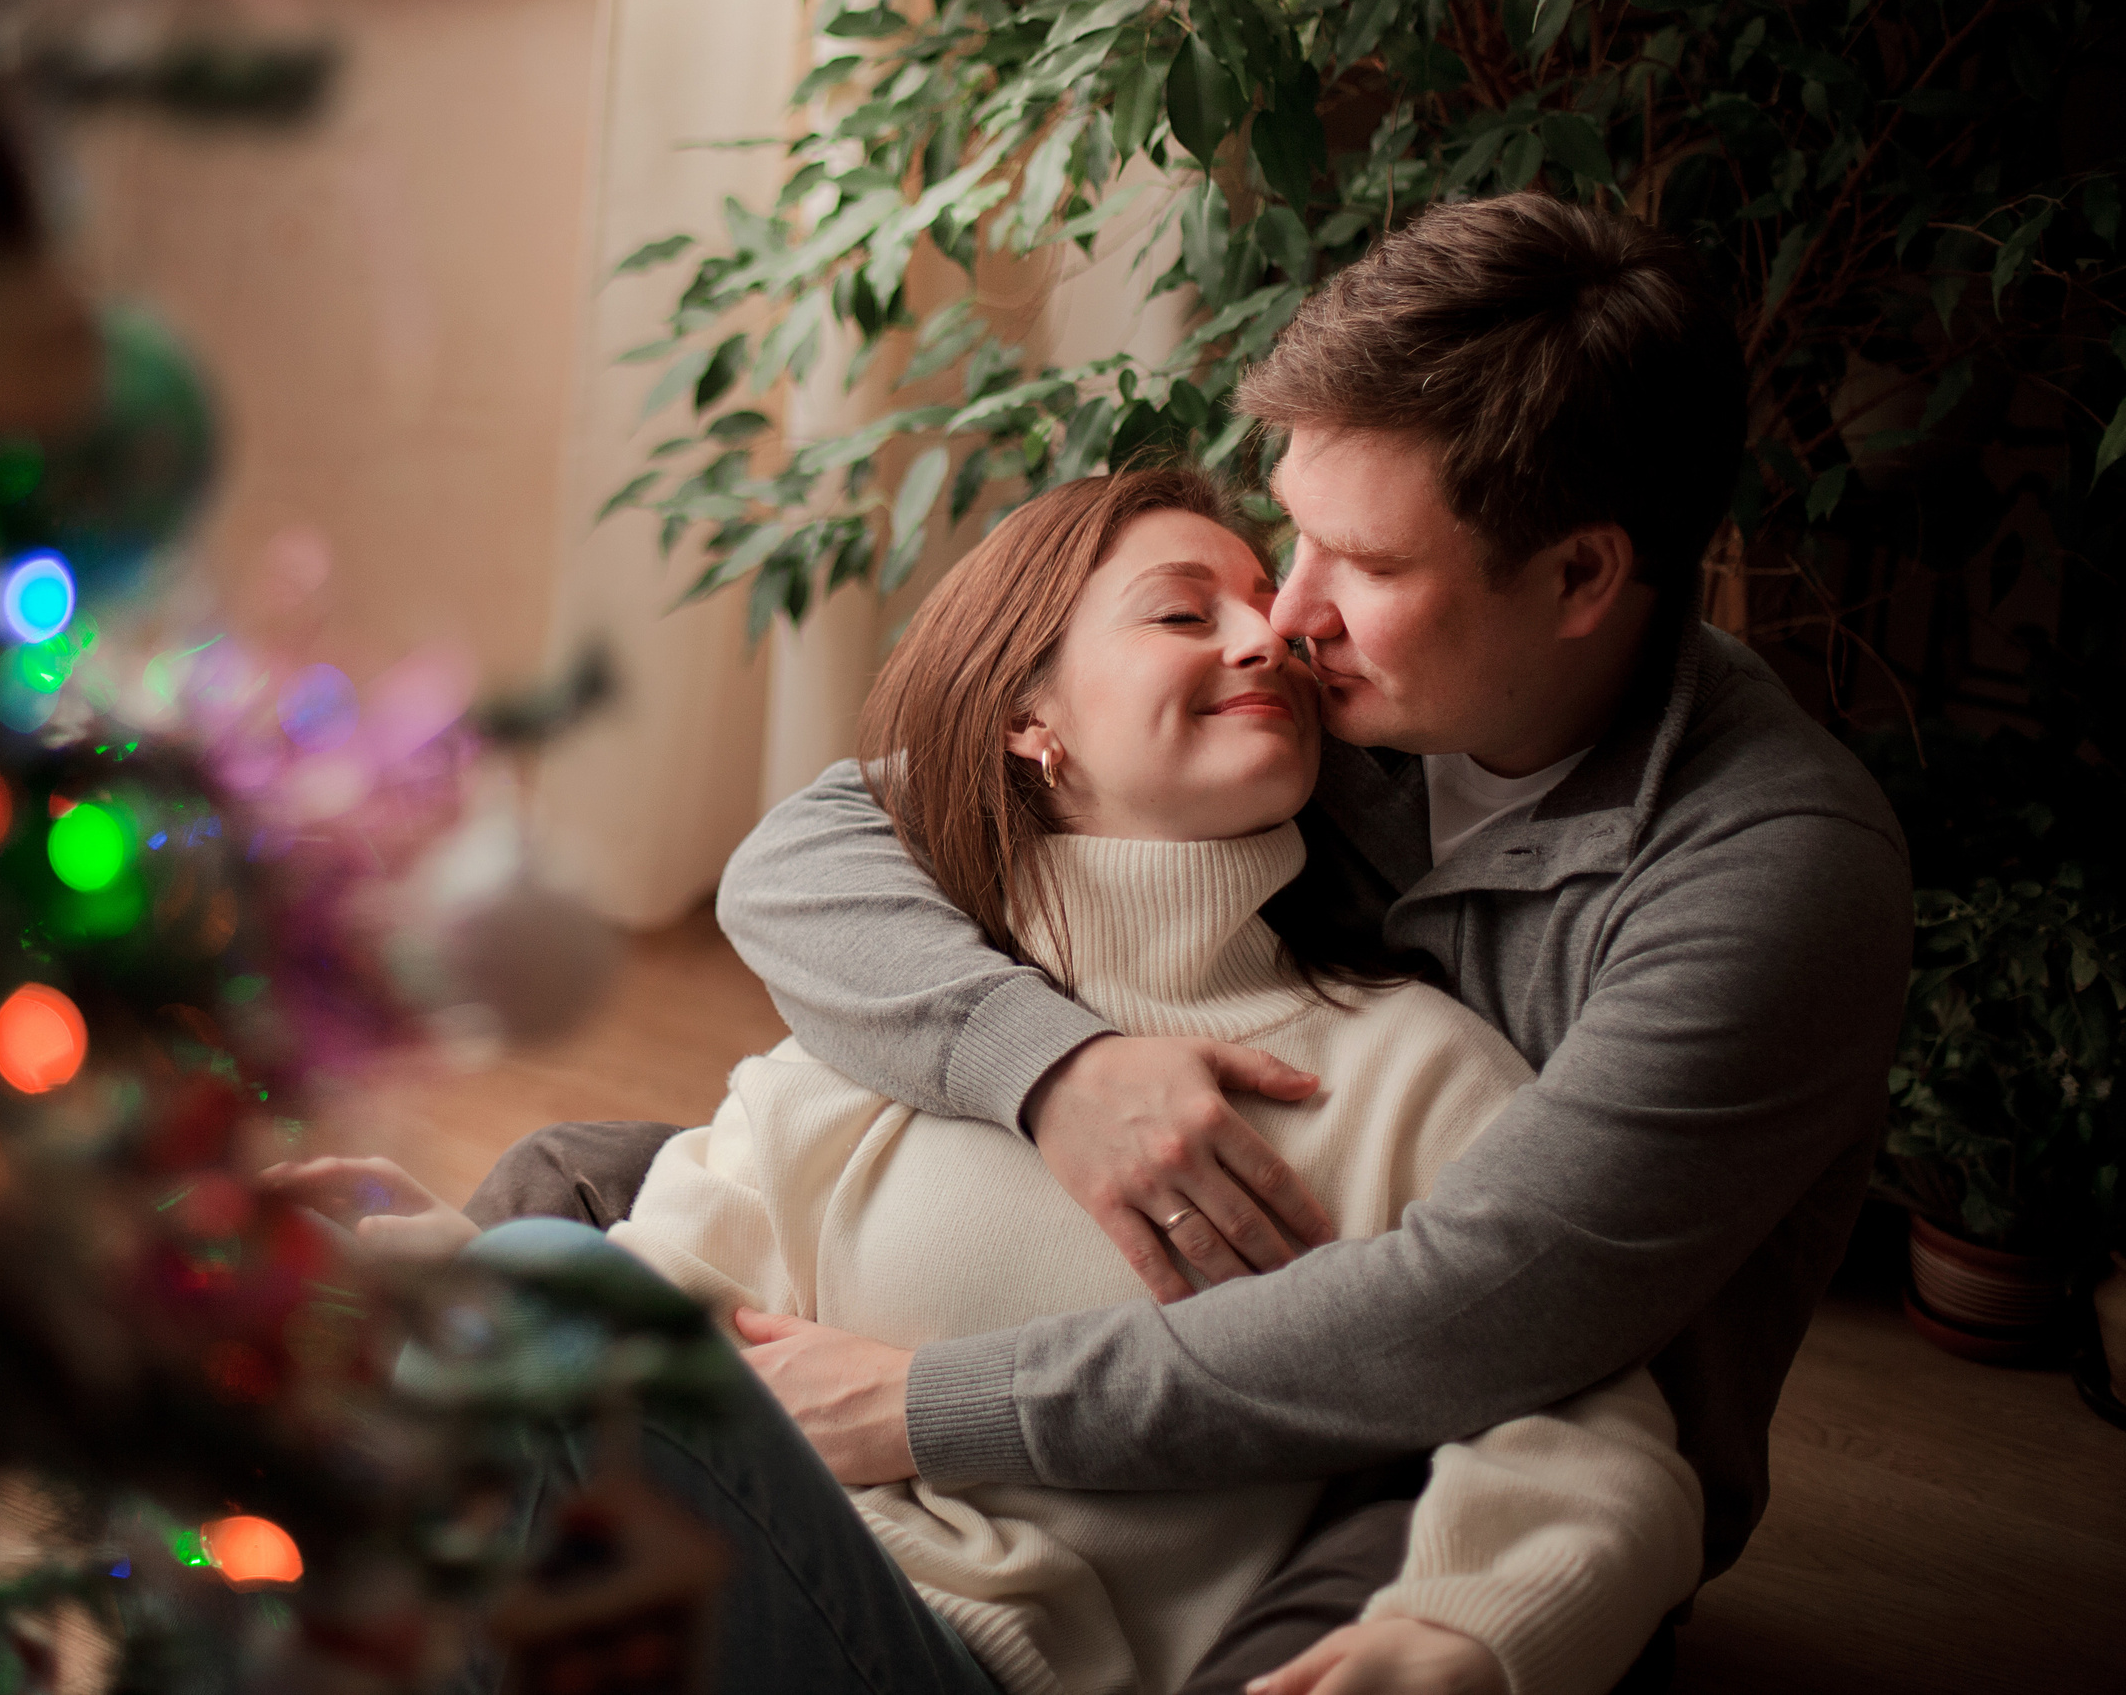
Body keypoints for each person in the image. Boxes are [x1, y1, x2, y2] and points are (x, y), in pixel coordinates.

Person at [468, 193, 1916, 1690]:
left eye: (1364, 562)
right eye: (1288, 534)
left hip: (1466, 1413)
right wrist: (1058, 1070)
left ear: (1580, 578)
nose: (1287, 616)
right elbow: (811, 851)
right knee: (561, 1196)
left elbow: (1480, 1319)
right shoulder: (1320, 700)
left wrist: (926, 1407)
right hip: (1155, 1342)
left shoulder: (1771, 885)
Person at [283, 467, 1703, 1695]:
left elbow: (1602, 1431)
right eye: (1180, 610)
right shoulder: (885, 1035)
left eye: (1265, 601)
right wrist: (454, 1276)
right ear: (1037, 720)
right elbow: (660, 1328)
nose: (1267, 633)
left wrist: (1471, 1635)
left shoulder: (1409, 1071)